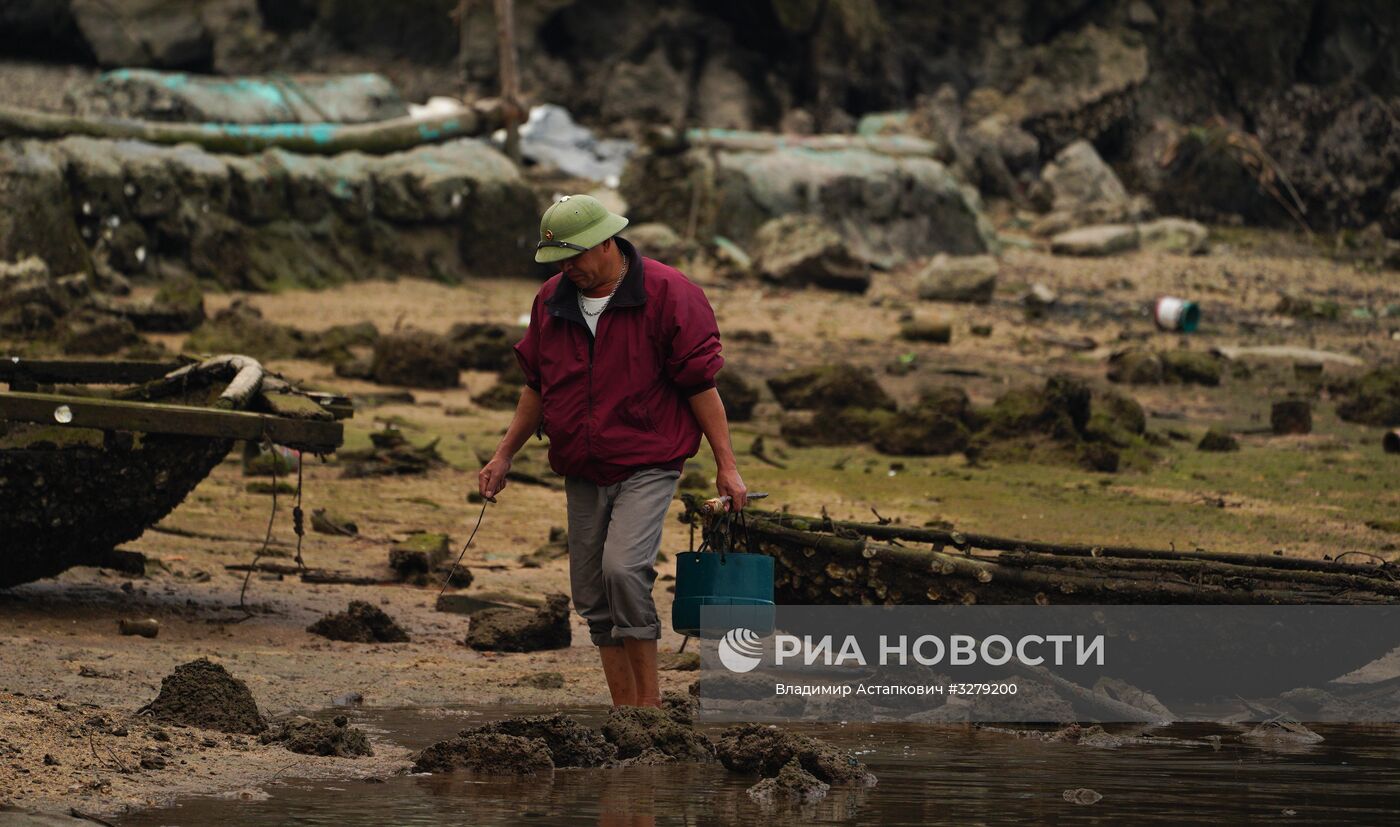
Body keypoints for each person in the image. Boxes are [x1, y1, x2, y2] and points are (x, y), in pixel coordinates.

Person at [478, 194, 747, 708]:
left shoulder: (670, 293)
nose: (567, 268)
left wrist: (726, 466)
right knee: (591, 594)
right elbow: (537, 385)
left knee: (623, 570)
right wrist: (504, 454)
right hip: (581, 464)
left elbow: (700, 385)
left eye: (575, 255)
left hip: (649, 460)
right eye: (558, 259)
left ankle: (649, 710)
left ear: (607, 242)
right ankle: (625, 711)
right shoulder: (552, 300)